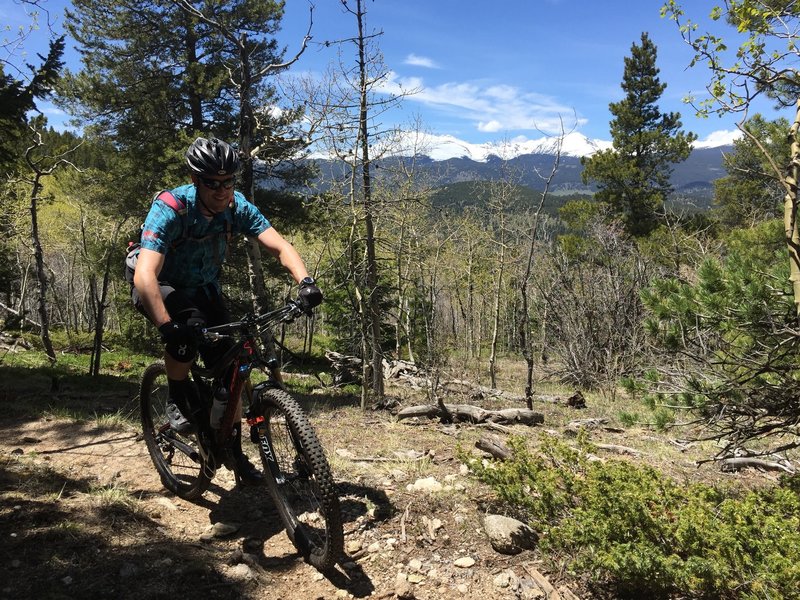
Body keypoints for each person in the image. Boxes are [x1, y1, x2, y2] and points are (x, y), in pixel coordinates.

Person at [131, 136, 322, 484]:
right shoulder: (171, 207)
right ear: (196, 181)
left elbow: (279, 246)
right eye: (212, 183)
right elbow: (146, 274)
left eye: (228, 182)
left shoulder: (238, 207)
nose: (221, 191)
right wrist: (167, 326)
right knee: (186, 333)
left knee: (232, 367)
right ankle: (177, 395)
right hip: (160, 283)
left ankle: (231, 450)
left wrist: (305, 282)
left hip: (204, 287)